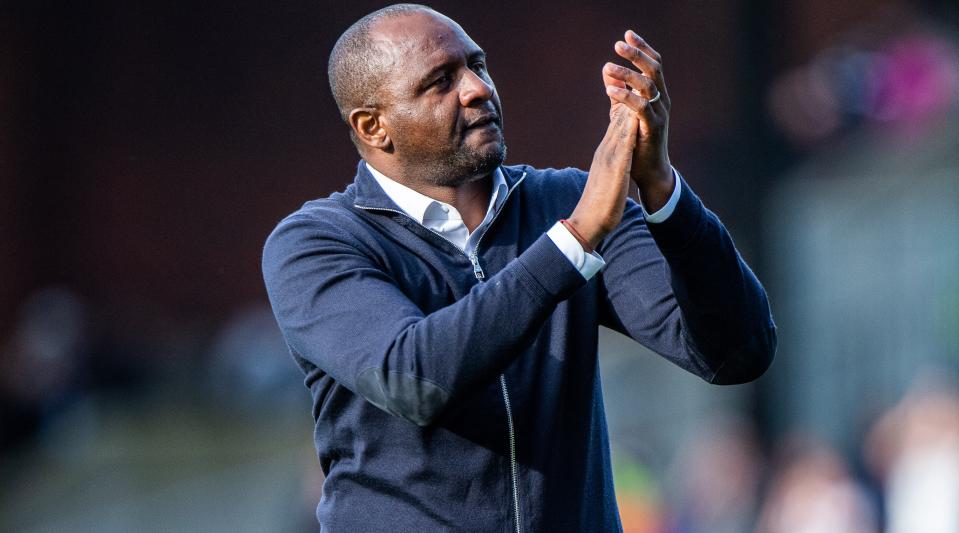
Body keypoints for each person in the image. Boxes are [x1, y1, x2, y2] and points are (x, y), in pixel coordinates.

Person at [261, 4, 776, 532]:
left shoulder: (569, 200)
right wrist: (571, 243)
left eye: (477, 65)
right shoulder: (317, 242)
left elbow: (737, 353)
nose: (477, 88)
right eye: (440, 82)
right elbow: (413, 379)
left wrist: (665, 195)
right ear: (374, 127)